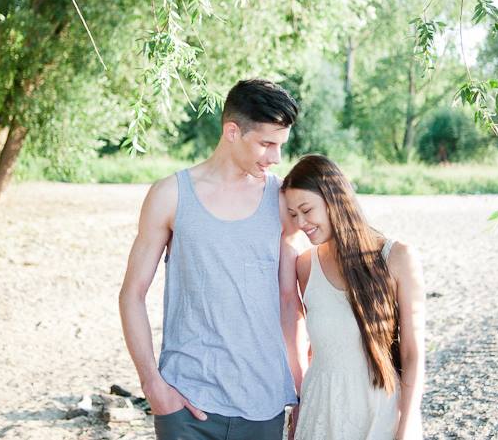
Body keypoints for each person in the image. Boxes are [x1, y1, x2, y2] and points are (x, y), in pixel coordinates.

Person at [119, 79, 304, 440]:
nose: (276, 157)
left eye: (281, 145)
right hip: (186, 403)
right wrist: (153, 386)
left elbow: (288, 303)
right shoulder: (170, 195)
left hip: (262, 404)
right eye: (266, 144)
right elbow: (132, 294)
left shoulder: (282, 201)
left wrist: (298, 390)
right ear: (232, 131)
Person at [281, 154, 425, 440]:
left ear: (334, 199)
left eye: (307, 210)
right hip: (321, 410)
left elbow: (412, 354)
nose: (301, 223)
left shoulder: (397, 257)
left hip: (379, 409)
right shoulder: (305, 266)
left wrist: (406, 427)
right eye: (293, 214)